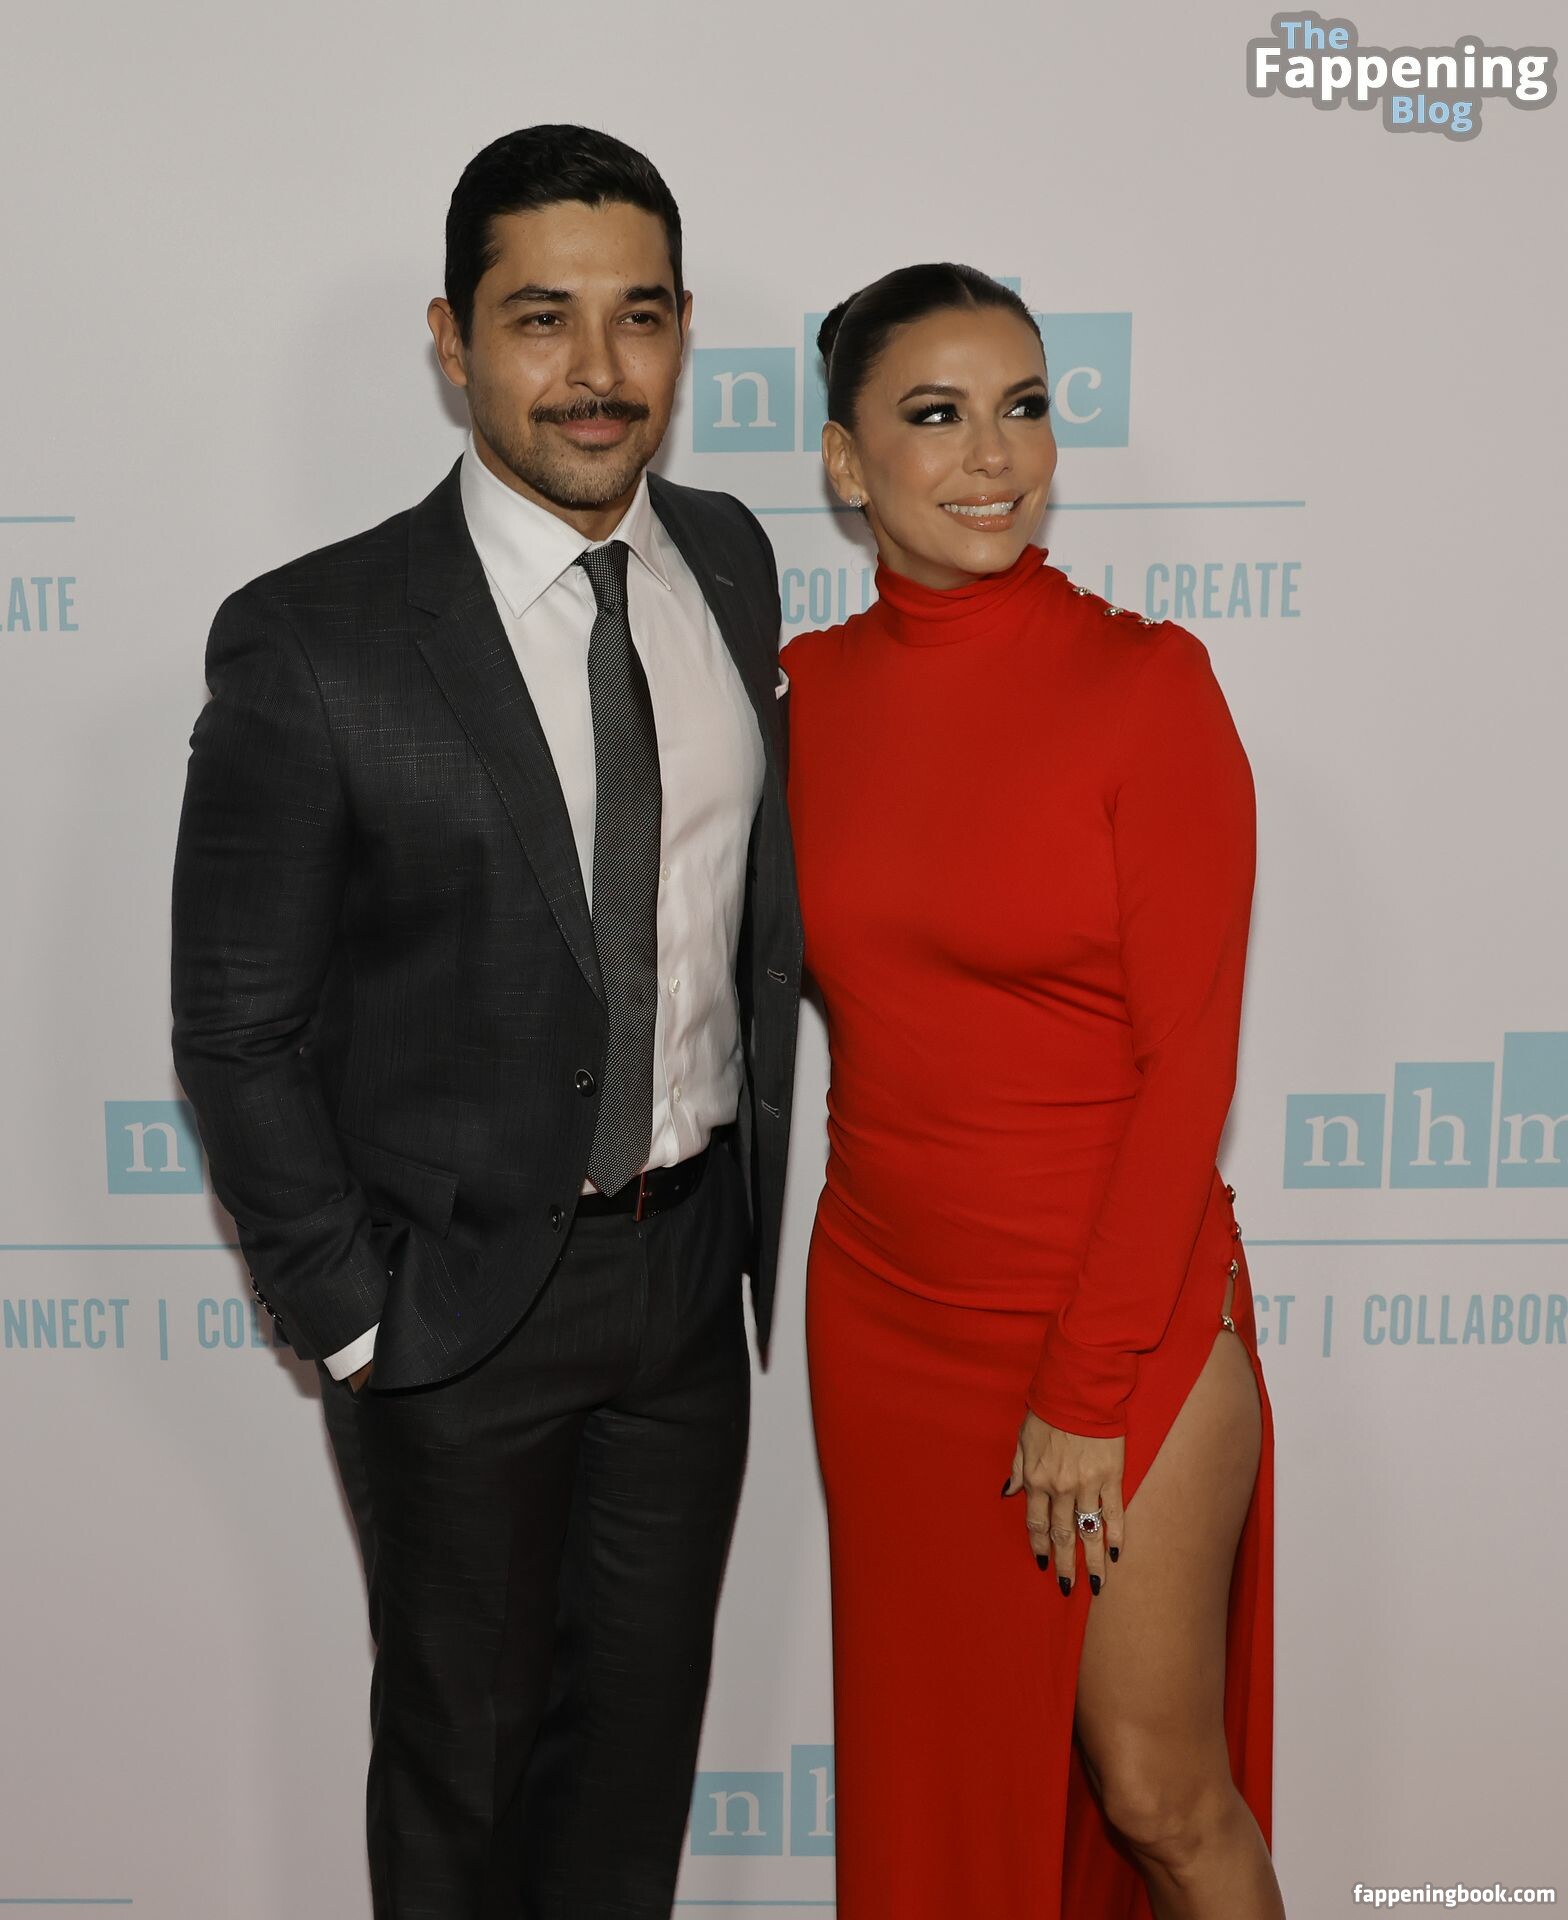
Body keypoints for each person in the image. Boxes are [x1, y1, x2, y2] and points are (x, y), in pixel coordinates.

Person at [169, 124, 802, 1920]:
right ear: (453, 340)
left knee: (632, 1783)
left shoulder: (732, 563)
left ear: (684, 332)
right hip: (451, 1311)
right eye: (542, 317)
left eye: (641, 316)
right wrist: (358, 1320)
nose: (598, 369)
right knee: (464, 1782)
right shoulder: (315, 640)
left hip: (687, 1291)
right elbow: (233, 1026)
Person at [779, 263, 1284, 1919]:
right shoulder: (803, 699)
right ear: (846, 461)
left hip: (1118, 1319)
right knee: (936, 1786)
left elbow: (1188, 1067)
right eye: (935, 414)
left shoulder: (1147, 687)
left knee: (1159, 1792)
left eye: (1024, 407)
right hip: (887, 1316)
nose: (993, 455)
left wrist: (1084, 1374)